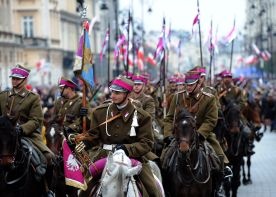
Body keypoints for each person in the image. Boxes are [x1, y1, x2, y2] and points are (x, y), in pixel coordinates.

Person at [87, 75, 161, 197]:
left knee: (154, 191)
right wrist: (77, 140)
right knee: (83, 188)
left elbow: (146, 143)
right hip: (105, 156)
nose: (112, 96)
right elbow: (93, 137)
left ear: (127, 94)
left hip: (134, 158)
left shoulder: (142, 116)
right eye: (112, 92)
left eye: (117, 93)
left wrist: (127, 148)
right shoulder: (99, 112)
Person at [0, 64, 54, 194]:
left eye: (17, 79)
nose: (14, 81)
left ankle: (47, 190)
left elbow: (36, 120)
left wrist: (21, 129)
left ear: (25, 80)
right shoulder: (3, 96)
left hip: (26, 135)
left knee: (49, 158)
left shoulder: (33, 98)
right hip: (4, 135)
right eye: (13, 78)